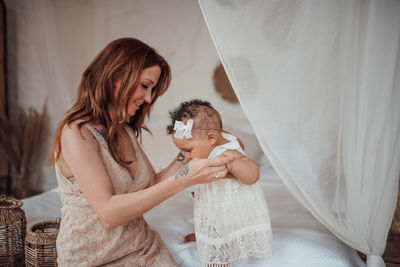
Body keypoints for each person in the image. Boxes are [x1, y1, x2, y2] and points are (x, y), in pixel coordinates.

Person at [48, 38, 231, 266]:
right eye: (145, 86)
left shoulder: (125, 130)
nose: (149, 98)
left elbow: (151, 185)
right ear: (116, 78)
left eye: (152, 89)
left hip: (144, 248)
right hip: (94, 258)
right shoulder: (76, 133)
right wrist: (184, 179)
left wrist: (189, 150)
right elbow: (109, 213)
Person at [167, 99, 273, 267]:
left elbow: (252, 175)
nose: (185, 156)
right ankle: (204, 236)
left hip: (229, 203)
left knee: (224, 224)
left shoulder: (228, 153)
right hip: (213, 199)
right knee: (210, 220)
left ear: (211, 138)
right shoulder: (208, 147)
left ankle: (221, 257)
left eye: (188, 150)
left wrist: (232, 163)